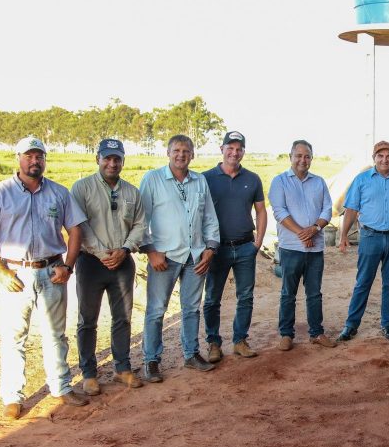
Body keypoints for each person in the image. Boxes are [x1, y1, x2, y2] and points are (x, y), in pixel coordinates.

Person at [0, 136, 88, 419]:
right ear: (18, 158)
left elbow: (75, 231)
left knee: (55, 334)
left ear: (45, 160)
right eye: (29, 156)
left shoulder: (59, 194)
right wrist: (1, 271)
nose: (35, 161)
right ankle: (13, 396)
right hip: (15, 274)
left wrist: (68, 266)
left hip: (52, 272)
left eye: (40, 156)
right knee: (14, 336)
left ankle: (61, 387)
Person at [139, 134, 221, 382]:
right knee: (156, 310)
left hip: (195, 256)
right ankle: (151, 360)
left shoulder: (199, 181)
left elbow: (209, 217)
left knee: (191, 308)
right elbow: (140, 219)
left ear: (192, 155)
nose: (181, 155)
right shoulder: (152, 179)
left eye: (186, 151)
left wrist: (210, 247)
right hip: (164, 257)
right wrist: (151, 251)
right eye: (176, 150)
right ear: (168, 153)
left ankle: (191, 354)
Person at [70, 138, 146, 395]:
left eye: (117, 159)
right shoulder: (81, 188)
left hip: (123, 262)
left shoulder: (132, 192)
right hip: (91, 263)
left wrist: (124, 250)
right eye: (107, 158)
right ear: (98, 159)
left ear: (123, 161)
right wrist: (103, 254)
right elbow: (80, 225)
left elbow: (140, 225)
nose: (112, 163)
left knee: (122, 318)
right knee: (88, 320)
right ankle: (89, 373)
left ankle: (122, 368)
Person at [338, 141, 389, 341]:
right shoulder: (362, 180)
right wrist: (344, 235)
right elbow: (351, 210)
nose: (384, 159)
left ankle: (387, 324)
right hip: (370, 237)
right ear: (374, 158)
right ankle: (351, 325)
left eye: (388, 156)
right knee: (363, 282)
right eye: (380, 156)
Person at [202, 131, 267, 362]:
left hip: (245, 248)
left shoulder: (253, 178)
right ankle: (213, 343)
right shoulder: (206, 178)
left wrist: (257, 242)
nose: (234, 152)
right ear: (222, 149)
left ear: (243, 152)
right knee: (212, 298)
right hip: (216, 250)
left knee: (245, 296)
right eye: (230, 147)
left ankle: (240, 340)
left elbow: (261, 210)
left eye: (239, 148)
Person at [269, 140, 337, 350]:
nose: (302, 160)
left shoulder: (319, 182)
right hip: (291, 248)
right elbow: (279, 211)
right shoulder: (279, 181)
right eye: (298, 156)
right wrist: (302, 233)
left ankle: (316, 332)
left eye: (307, 156)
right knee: (288, 292)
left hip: (315, 249)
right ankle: (286, 334)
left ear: (311, 159)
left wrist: (314, 229)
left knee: (314, 293)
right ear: (290, 157)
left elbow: (327, 209)